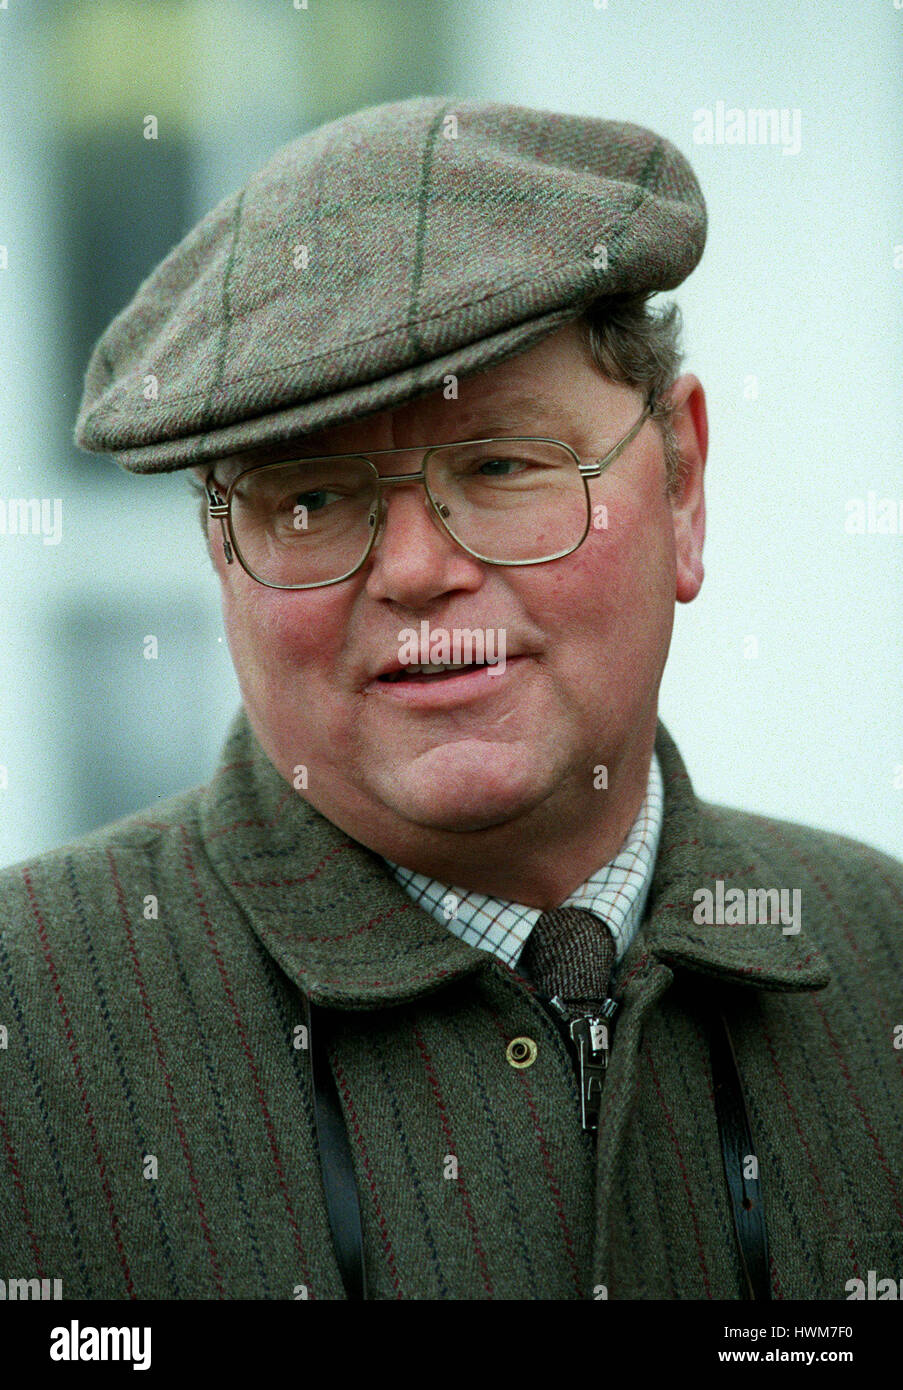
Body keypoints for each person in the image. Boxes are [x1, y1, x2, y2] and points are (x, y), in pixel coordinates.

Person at [1, 97, 900, 1302]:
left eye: (501, 465)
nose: (420, 570)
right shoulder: (29, 1030)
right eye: (309, 498)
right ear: (223, 558)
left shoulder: (883, 964)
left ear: (684, 486)